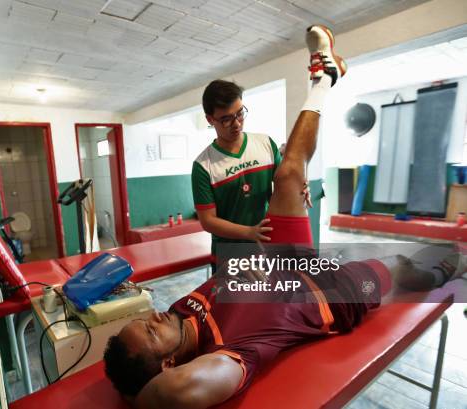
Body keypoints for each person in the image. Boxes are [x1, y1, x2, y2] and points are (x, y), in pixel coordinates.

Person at [103, 25, 464, 409]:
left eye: (143, 321)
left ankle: (324, 78)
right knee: (402, 264)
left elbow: (285, 179)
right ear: (169, 364)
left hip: (276, 252)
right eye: (151, 332)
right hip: (329, 294)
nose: (154, 316)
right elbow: (177, 392)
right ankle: (446, 272)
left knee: (291, 172)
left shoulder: (177, 314)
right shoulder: (228, 353)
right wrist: (139, 399)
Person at [192, 74, 310, 260]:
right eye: (226, 119)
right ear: (210, 119)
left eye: (240, 113)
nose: (237, 123)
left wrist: (299, 189)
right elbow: (208, 221)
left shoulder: (265, 144)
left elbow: (284, 184)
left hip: (268, 246)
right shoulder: (203, 166)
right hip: (229, 255)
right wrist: (249, 232)